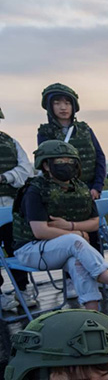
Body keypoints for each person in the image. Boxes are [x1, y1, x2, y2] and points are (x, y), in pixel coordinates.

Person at [13, 141, 108, 311]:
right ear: (46, 165)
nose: (66, 165)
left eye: (70, 161)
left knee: (77, 262)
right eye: (60, 162)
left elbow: (94, 223)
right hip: (30, 249)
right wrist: (77, 233)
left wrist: (70, 226)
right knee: (74, 241)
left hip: (63, 248)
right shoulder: (35, 190)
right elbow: (40, 231)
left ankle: (92, 312)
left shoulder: (79, 188)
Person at [37, 83, 105, 199]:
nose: (63, 107)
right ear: (50, 106)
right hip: (59, 192)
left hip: (89, 189)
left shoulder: (85, 130)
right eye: (57, 103)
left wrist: (97, 187)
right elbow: (45, 164)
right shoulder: (45, 133)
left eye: (67, 103)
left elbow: (99, 157)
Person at [0, 105, 35, 311]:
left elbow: (25, 170)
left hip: (11, 205)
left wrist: (5, 177)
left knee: (17, 247)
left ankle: (22, 289)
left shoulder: (10, 142)